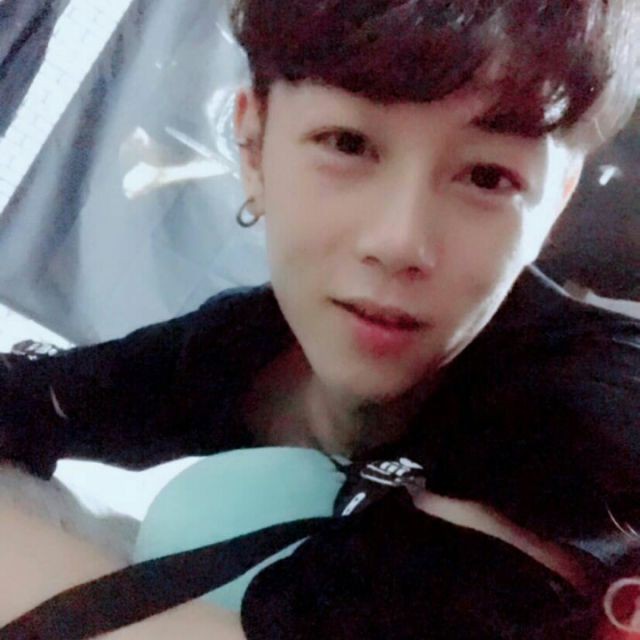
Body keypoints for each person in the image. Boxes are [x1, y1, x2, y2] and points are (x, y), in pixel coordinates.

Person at [0, 0, 639, 637]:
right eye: (348, 144)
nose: (399, 241)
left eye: (487, 177)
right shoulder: (249, 345)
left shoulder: (590, 410)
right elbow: (35, 399)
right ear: (254, 147)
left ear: (555, 203)